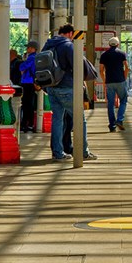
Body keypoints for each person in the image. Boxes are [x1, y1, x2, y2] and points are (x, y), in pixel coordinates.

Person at [42, 24, 97, 161]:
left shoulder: (47, 45)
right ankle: (83, 152)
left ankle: (58, 153)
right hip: (66, 87)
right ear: (70, 33)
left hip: (51, 87)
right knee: (80, 119)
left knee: (57, 120)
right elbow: (77, 66)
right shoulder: (67, 46)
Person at [99, 37, 129, 132]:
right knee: (123, 100)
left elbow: (101, 70)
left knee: (110, 104)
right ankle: (119, 120)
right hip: (120, 81)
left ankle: (112, 125)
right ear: (118, 44)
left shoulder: (104, 55)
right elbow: (127, 67)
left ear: (109, 44)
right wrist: (124, 78)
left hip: (109, 82)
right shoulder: (122, 54)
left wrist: (104, 80)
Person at [19, 40, 39, 132]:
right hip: (31, 82)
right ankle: (29, 123)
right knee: (29, 104)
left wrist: (22, 65)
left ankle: (27, 124)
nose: (27, 49)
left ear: (33, 48)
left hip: (28, 82)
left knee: (27, 104)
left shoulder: (31, 58)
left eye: (28, 47)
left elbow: (22, 67)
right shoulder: (36, 57)